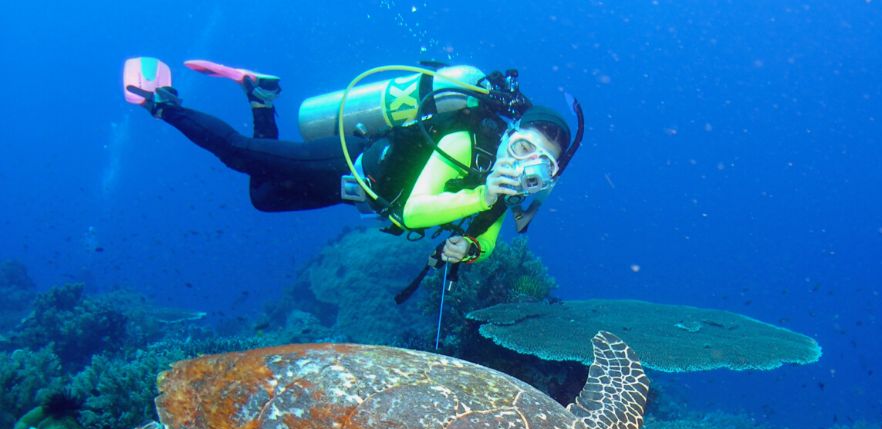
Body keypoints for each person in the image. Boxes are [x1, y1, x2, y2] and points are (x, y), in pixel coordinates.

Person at [124, 58, 576, 266]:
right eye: (521, 148)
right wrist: (482, 193)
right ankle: (162, 104)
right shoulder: (464, 141)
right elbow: (412, 210)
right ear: (509, 136)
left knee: (263, 197)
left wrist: (470, 249)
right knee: (240, 154)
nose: (526, 166)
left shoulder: (511, 188)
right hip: (347, 160)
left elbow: (488, 233)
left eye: (543, 164)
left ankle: (261, 97)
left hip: (359, 191)